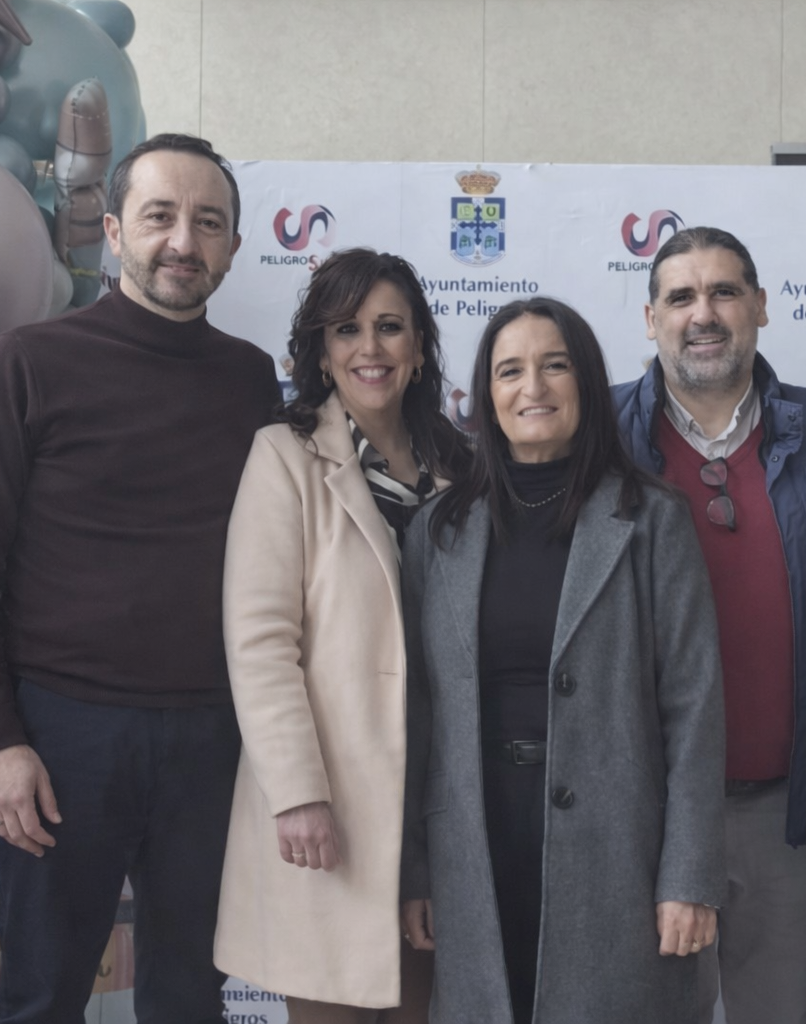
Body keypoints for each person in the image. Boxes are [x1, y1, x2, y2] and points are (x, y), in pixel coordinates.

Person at [0, 134, 280, 1022]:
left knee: (192, 997)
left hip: (211, 740)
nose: (183, 243)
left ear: (233, 248)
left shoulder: (250, 380)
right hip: (58, 738)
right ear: (114, 232)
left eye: (208, 223)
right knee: (42, 995)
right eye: (160, 217)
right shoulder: (28, 364)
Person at [399, 297, 725, 1024]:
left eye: (555, 366)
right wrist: (414, 869)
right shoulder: (438, 534)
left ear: (586, 382)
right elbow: (419, 714)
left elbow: (694, 707)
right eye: (510, 371)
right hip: (477, 839)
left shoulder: (652, 519)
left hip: (619, 848)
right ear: (485, 394)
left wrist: (690, 875)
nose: (533, 388)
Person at [613, 226, 806, 1024]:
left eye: (724, 292)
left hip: (790, 811)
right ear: (650, 316)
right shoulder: (599, 435)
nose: (705, 313)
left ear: (761, 306)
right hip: (644, 813)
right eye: (682, 297)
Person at [214, 250, 470, 1021]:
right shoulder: (284, 457)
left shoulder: (462, 467)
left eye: (390, 328)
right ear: (321, 352)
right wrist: (297, 794)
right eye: (347, 329)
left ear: (419, 347)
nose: (370, 348)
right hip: (333, 808)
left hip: (443, 804)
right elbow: (260, 642)